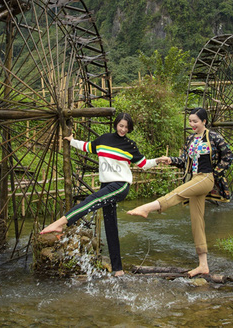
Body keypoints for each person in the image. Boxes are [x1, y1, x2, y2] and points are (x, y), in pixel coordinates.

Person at [40, 112, 158, 276]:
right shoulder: (104, 139)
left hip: (120, 185)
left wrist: (159, 160)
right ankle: (118, 269)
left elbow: (143, 164)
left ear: (129, 128)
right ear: (116, 124)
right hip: (106, 184)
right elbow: (88, 146)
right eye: (121, 125)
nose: (123, 129)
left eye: (126, 127)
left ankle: (62, 222)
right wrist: (72, 141)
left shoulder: (130, 145)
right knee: (111, 226)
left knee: (91, 200)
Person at [127, 107, 233, 277]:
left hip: (206, 178)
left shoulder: (214, 137)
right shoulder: (190, 139)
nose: (192, 124)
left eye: (195, 122)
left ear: (204, 122)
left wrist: (216, 172)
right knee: (197, 222)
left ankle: (148, 208)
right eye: (190, 121)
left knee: (177, 193)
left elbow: (228, 155)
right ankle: (203, 265)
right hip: (194, 178)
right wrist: (170, 160)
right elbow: (185, 161)